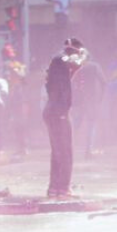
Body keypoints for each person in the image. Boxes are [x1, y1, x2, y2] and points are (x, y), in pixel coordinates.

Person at [43, 38, 86, 199]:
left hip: (52, 110)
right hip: (58, 111)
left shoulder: (57, 66)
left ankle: (54, 188)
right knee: (66, 151)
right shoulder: (61, 58)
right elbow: (76, 64)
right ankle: (63, 189)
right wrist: (82, 55)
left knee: (58, 151)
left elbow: (72, 71)